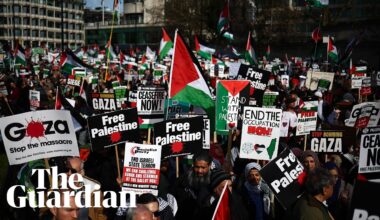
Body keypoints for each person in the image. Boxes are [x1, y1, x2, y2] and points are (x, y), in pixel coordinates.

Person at [172, 151, 213, 220]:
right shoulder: (182, 181)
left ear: (209, 166)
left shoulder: (214, 181)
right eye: (197, 167)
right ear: (193, 165)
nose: (199, 171)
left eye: (203, 167)